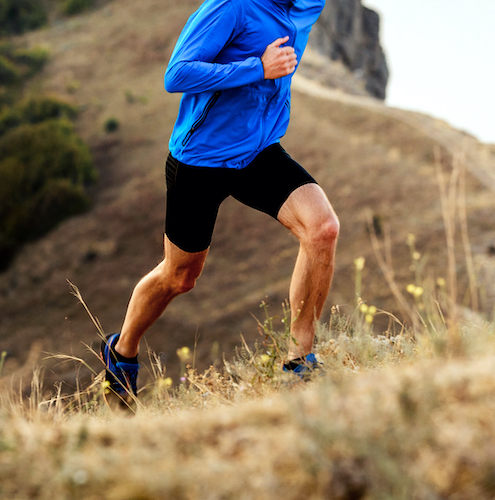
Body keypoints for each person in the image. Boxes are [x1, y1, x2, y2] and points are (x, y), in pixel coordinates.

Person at [100, 0, 338, 397]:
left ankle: (299, 363)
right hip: (201, 160)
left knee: (322, 229)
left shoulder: (308, 5)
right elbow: (176, 74)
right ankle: (121, 352)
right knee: (180, 277)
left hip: (258, 152)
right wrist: (257, 69)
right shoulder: (232, 6)